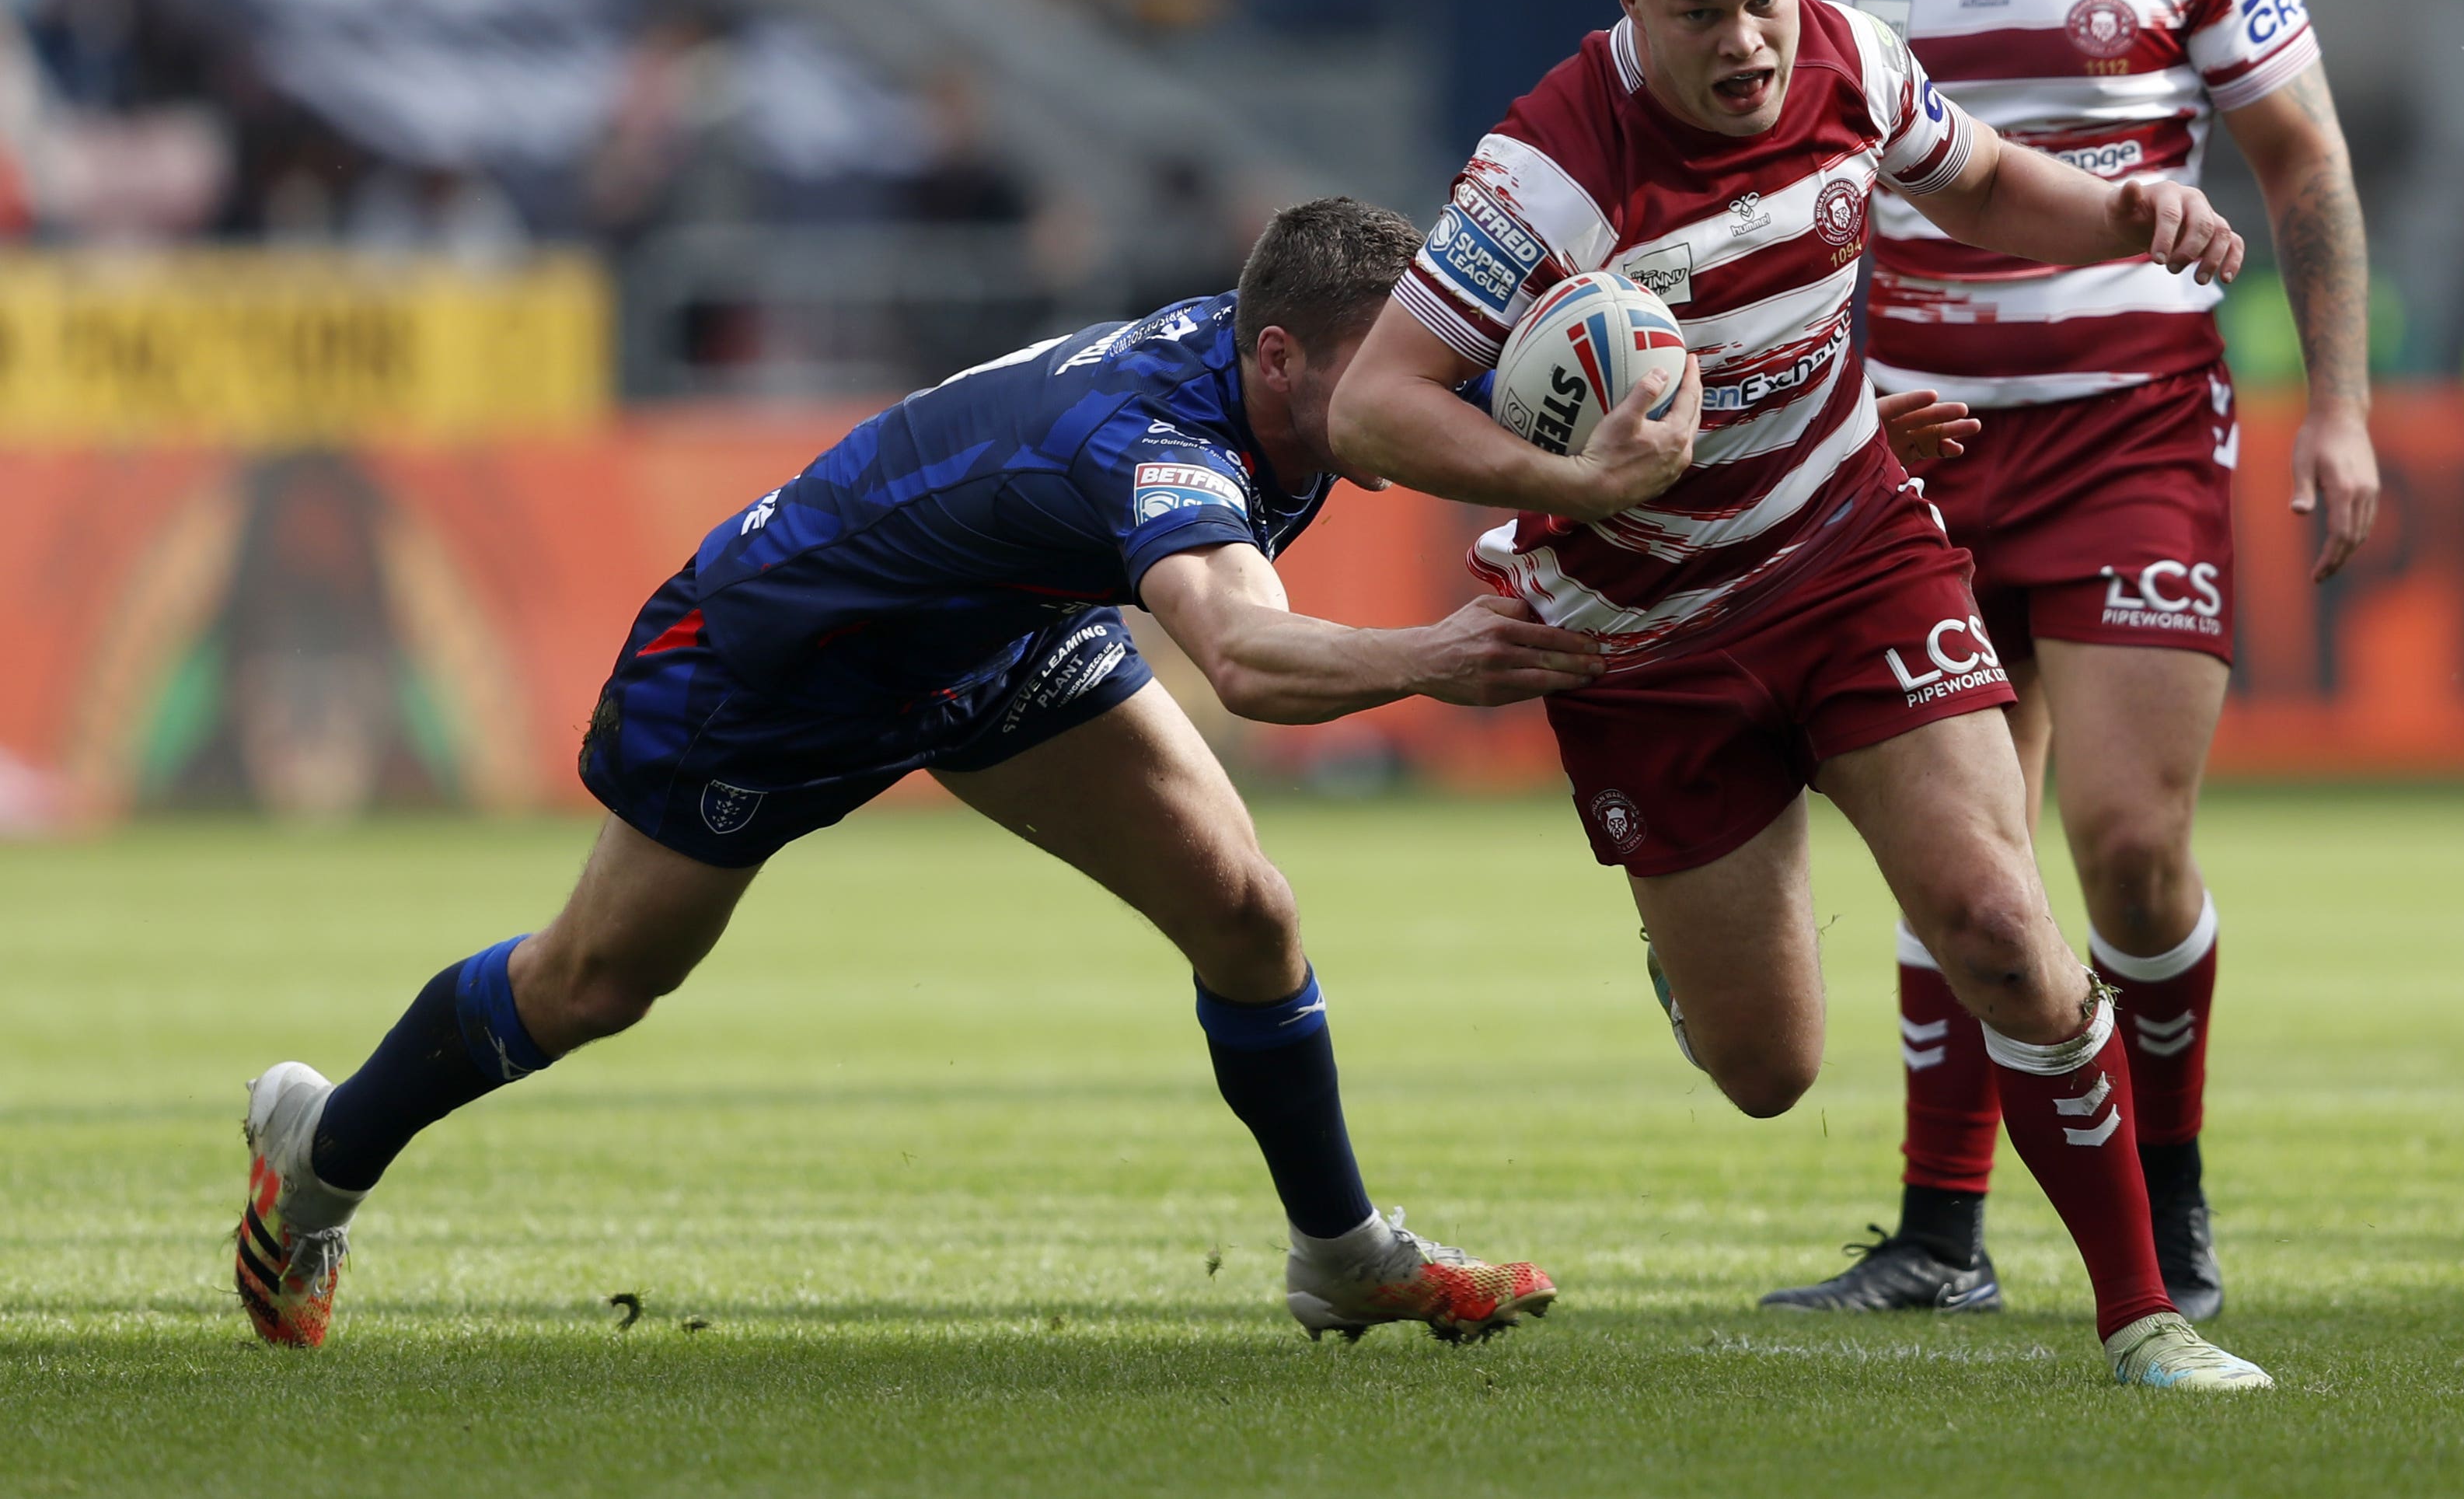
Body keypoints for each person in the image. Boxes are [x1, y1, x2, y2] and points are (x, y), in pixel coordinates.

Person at [236, 198, 1581, 1351]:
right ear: (1277, 357)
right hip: (774, 662)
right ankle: (318, 1161)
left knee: (1247, 915)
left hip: (991, 635)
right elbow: (1241, 657)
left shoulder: (1292, 371)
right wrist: (1438, 655)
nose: (1412, 397)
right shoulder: (1157, 441)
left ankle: (1341, 1257)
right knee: (594, 983)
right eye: (1382, 373)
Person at [1329, 0, 2273, 1390]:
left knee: (1996, 920)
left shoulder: (1852, 59)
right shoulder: (1548, 173)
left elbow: (1974, 180)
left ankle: (2143, 1316)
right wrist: (1561, 479)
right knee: (1770, 1069)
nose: (1750, 42)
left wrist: (2129, 218)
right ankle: (1687, 956)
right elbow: (1374, 406)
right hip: (1647, 639)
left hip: (1854, 557)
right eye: (1701, 15)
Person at [1760, 0, 2380, 1323]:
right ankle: (1940, 1234)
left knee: (2123, 842)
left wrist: (2337, 406)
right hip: (1921, 440)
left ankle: (2167, 1214)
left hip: (2130, 432)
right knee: (1959, 849)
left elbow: (2304, 166)